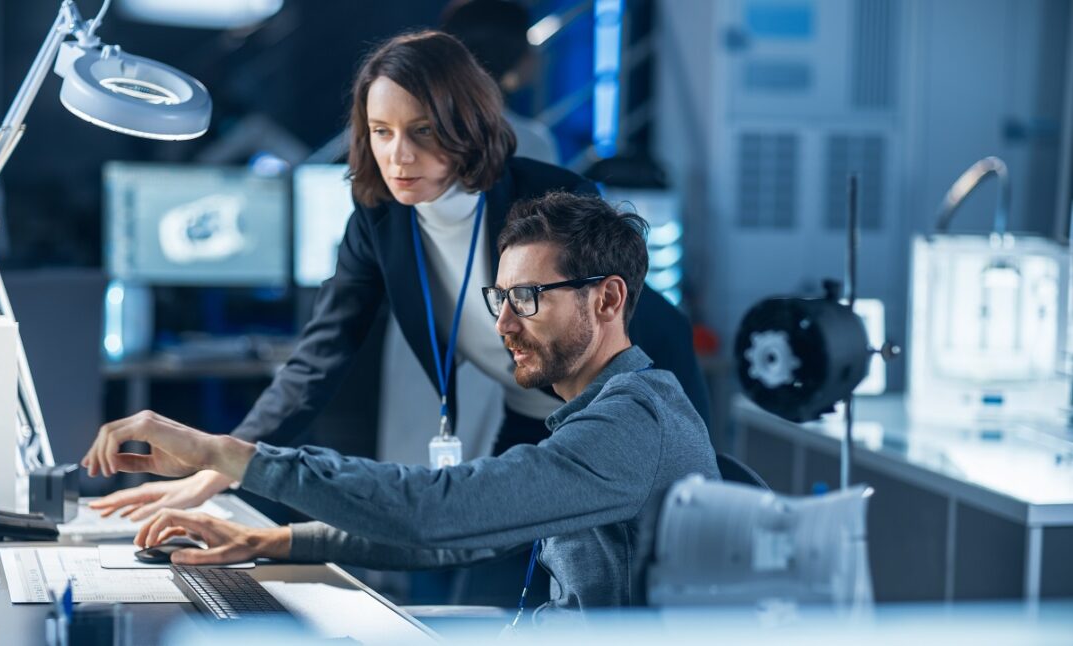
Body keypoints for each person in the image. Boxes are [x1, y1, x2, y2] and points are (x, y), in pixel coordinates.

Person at [82, 30, 710, 522]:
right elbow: (318, 358)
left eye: (422, 131)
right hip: (529, 419)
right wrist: (220, 464)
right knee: (481, 580)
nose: (398, 156)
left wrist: (691, 458)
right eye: (381, 132)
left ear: (465, 124)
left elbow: (639, 327)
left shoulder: (547, 201)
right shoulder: (380, 221)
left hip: (621, 417)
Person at [84, 191, 721, 619]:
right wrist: (267, 540)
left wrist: (225, 455)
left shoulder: (632, 424)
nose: (503, 324)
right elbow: (456, 539)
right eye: (499, 298)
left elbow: (438, 513)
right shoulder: (604, 414)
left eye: (527, 298)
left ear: (607, 299)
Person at [441, 0, 560, 164]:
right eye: (528, 42)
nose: (537, 53)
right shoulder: (529, 141)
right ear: (510, 52)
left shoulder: (428, 128)